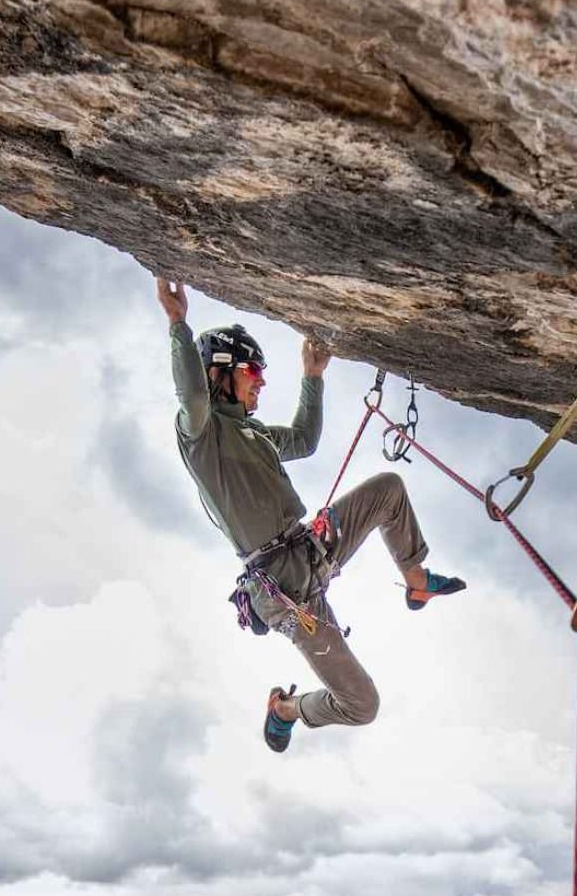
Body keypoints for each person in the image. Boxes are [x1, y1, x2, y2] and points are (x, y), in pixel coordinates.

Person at [156, 276, 465, 753]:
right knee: (361, 705)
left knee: (388, 489)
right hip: (287, 591)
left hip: (312, 547)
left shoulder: (256, 435)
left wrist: (313, 376)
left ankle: (416, 580)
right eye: (252, 371)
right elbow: (193, 397)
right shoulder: (201, 435)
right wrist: (178, 324)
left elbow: (304, 440)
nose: (261, 381)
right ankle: (285, 710)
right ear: (220, 373)